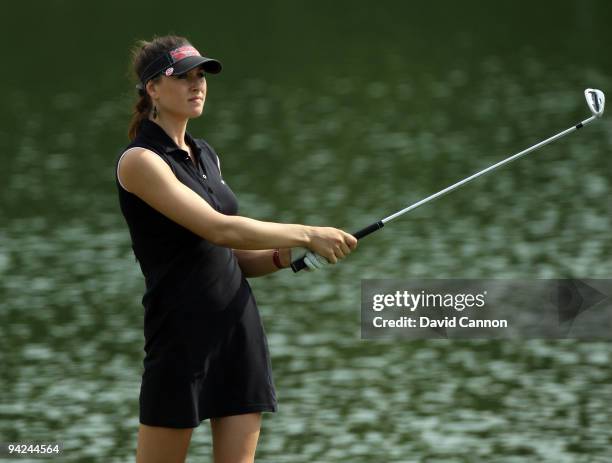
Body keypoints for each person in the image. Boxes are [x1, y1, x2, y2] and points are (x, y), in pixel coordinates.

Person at [115, 35, 357, 463]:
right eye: (183, 76)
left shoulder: (206, 154)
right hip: (181, 335)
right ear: (152, 88)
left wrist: (284, 256)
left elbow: (228, 256)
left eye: (201, 76)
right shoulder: (140, 161)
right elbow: (220, 229)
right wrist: (305, 232)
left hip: (237, 329)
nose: (198, 84)